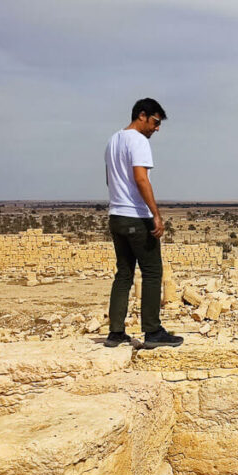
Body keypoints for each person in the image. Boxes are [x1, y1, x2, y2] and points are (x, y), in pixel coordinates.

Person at [103, 99, 183, 349]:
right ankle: (152, 330)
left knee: (124, 273)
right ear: (142, 115)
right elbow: (141, 178)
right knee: (151, 272)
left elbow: (110, 180)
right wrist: (155, 214)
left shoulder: (113, 140)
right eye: (155, 122)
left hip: (116, 214)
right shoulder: (138, 141)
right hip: (136, 216)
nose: (157, 129)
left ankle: (115, 332)